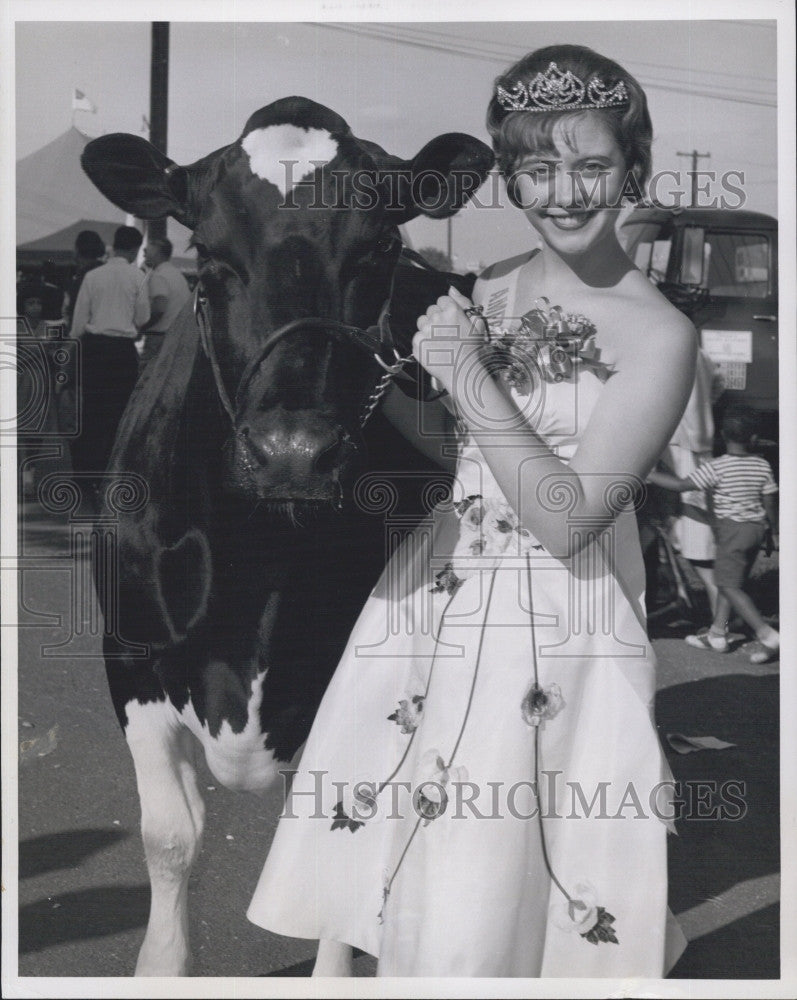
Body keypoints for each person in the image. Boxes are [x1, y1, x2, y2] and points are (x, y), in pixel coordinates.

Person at [248, 45, 696, 978]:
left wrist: (466, 378)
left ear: (634, 168)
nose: (563, 192)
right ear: (509, 176)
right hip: (437, 591)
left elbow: (569, 518)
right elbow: (465, 454)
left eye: (590, 164)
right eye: (536, 168)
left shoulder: (661, 335)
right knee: (398, 822)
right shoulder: (490, 286)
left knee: (482, 871)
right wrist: (390, 375)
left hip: (554, 623)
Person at [648, 405, 779, 664]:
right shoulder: (762, 465)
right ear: (754, 439)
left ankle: (767, 634)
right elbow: (770, 501)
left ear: (722, 435)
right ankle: (717, 633)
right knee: (732, 582)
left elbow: (682, 484)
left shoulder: (717, 467)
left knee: (727, 586)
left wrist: (650, 474)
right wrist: (772, 532)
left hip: (732, 532)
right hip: (756, 529)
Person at [68, 225, 149, 492]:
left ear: (114, 245)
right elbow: (143, 318)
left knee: (92, 410)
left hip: (94, 348)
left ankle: (83, 474)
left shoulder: (93, 276)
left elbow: (79, 322)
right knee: (120, 413)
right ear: (136, 249)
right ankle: (112, 474)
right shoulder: (138, 277)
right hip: (122, 351)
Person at [139, 236, 191, 368]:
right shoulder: (177, 275)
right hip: (177, 336)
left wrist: (141, 327)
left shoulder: (159, 276)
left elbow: (159, 308)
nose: (144, 253)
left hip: (158, 338)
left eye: (147, 250)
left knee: (146, 379)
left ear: (156, 252)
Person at [62, 229, 107, 328]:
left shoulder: (82, 278)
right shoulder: (107, 272)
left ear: (77, 250)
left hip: (86, 335)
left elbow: (76, 312)